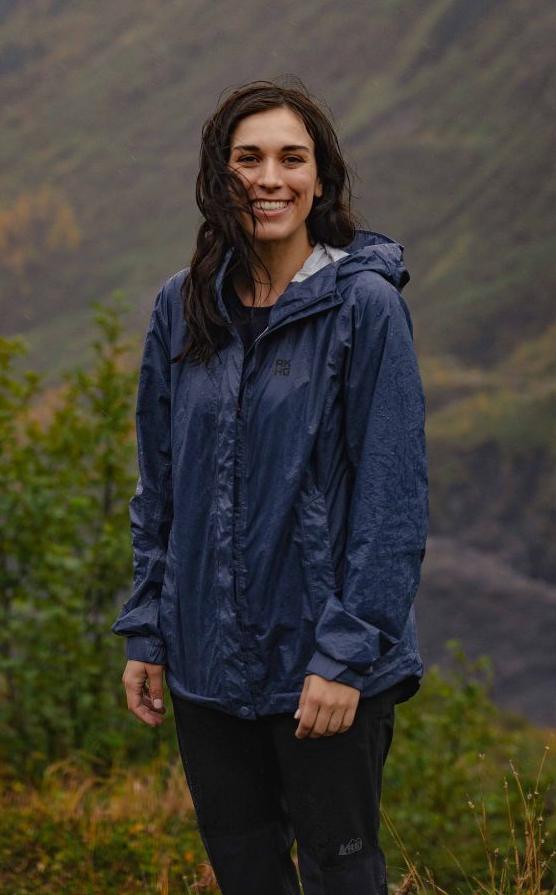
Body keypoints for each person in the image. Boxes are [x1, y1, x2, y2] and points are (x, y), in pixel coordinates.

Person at [112, 77, 429, 895]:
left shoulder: (364, 308)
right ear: (219, 178)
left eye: (292, 158)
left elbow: (392, 502)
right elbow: (161, 489)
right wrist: (147, 627)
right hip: (205, 667)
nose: (269, 178)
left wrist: (344, 657)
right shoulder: (180, 311)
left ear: (321, 180)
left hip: (323, 668)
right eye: (247, 159)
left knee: (342, 873)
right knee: (245, 870)